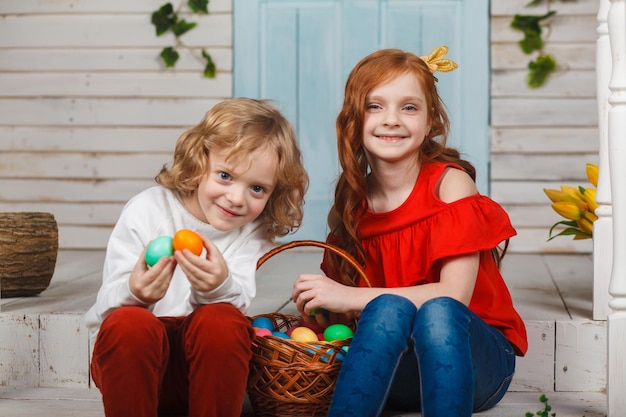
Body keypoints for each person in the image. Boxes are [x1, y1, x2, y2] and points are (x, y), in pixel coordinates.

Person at [291, 47, 528, 417]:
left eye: (409, 107)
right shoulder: (351, 205)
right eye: (375, 106)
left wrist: (347, 296)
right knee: (387, 307)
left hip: (477, 363)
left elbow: (455, 295)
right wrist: (322, 309)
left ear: (431, 120)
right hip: (398, 372)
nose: (391, 120)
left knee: (438, 311)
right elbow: (342, 316)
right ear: (354, 119)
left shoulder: (450, 184)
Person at [84, 98, 309, 417]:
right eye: (226, 176)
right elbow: (106, 309)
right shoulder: (147, 209)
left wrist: (217, 287)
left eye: (257, 188)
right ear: (199, 160)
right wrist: (135, 293)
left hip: (200, 378)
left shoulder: (251, 232)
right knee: (128, 322)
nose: (236, 198)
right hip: (133, 371)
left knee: (224, 320)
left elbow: (237, 304)